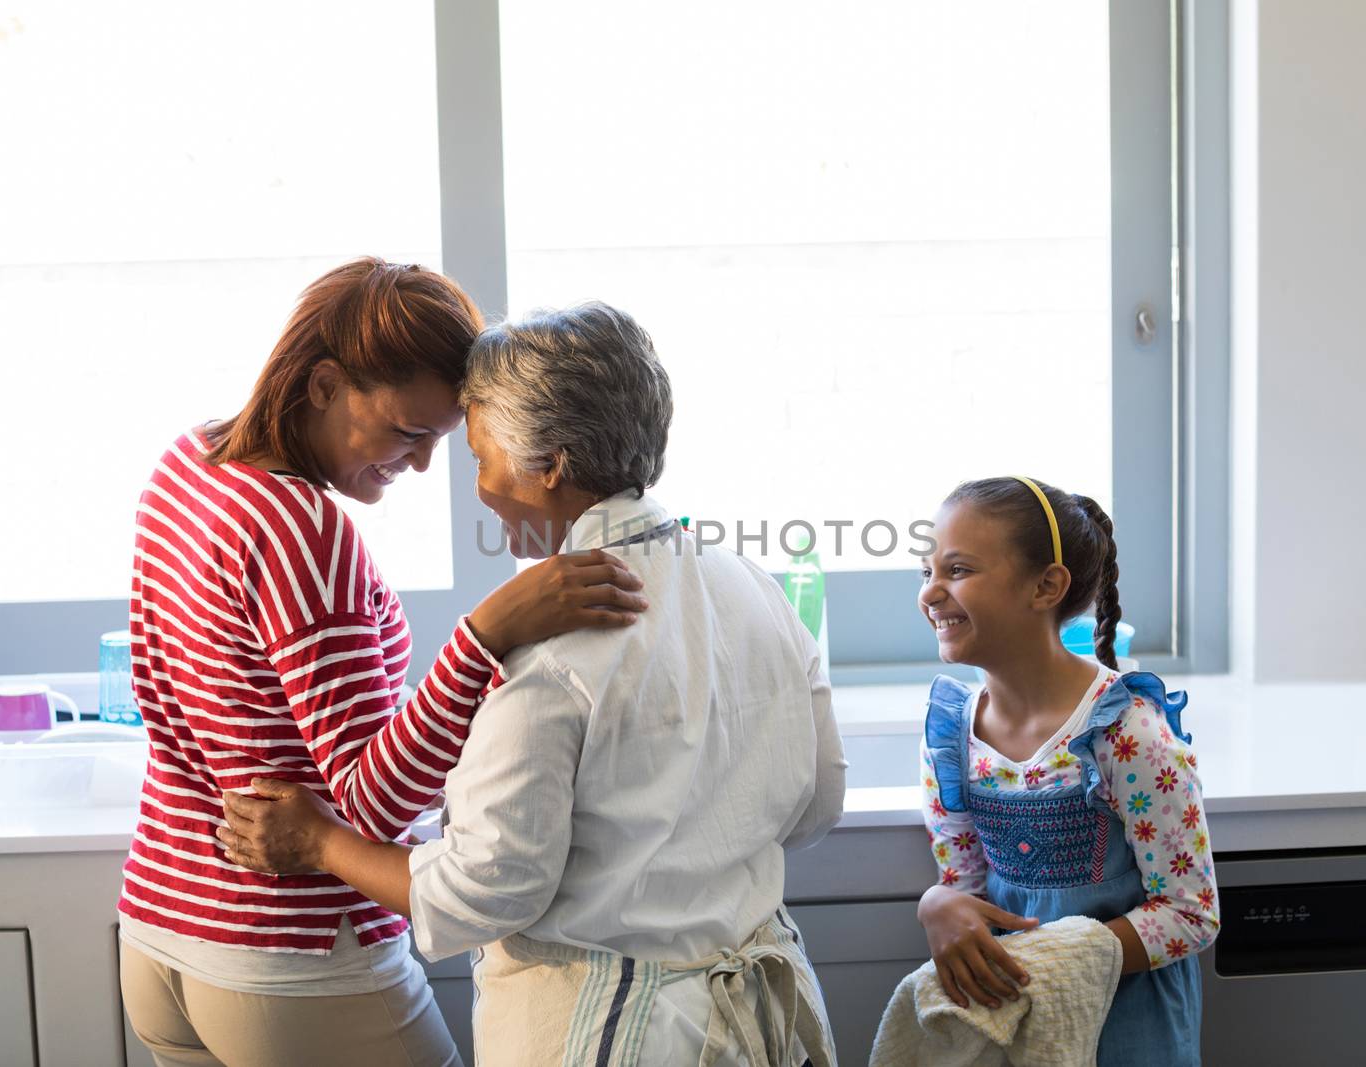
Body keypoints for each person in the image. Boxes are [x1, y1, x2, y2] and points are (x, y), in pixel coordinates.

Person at [219, 302, 848, 1066]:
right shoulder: (756, 588)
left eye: (480, 457)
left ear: (547, 462)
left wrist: (320, 840)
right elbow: (817, 802)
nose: (478, 488)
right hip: (762, 1023)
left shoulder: (549, 654)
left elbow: (481, 891)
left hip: (620, 1032)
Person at [117, 259, 648, 1067]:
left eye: (442, 439)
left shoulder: (188, 465)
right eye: (408, 433)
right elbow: (372, 801)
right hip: (288, 956)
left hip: (160, 929)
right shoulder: (302, 529)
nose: (425, 466)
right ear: (324, 384)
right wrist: (485, 634)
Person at [914, 477, 1216, 1065]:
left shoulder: (1125, 731)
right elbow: (964, 886)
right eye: (926, 573)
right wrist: (937, 906)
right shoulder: (950, 735)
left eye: (958, 570)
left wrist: (1056, 960)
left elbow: (1191, 914)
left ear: (1046, 585)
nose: (931, 592)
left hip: (1126, 1025)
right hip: (1014, 1018)